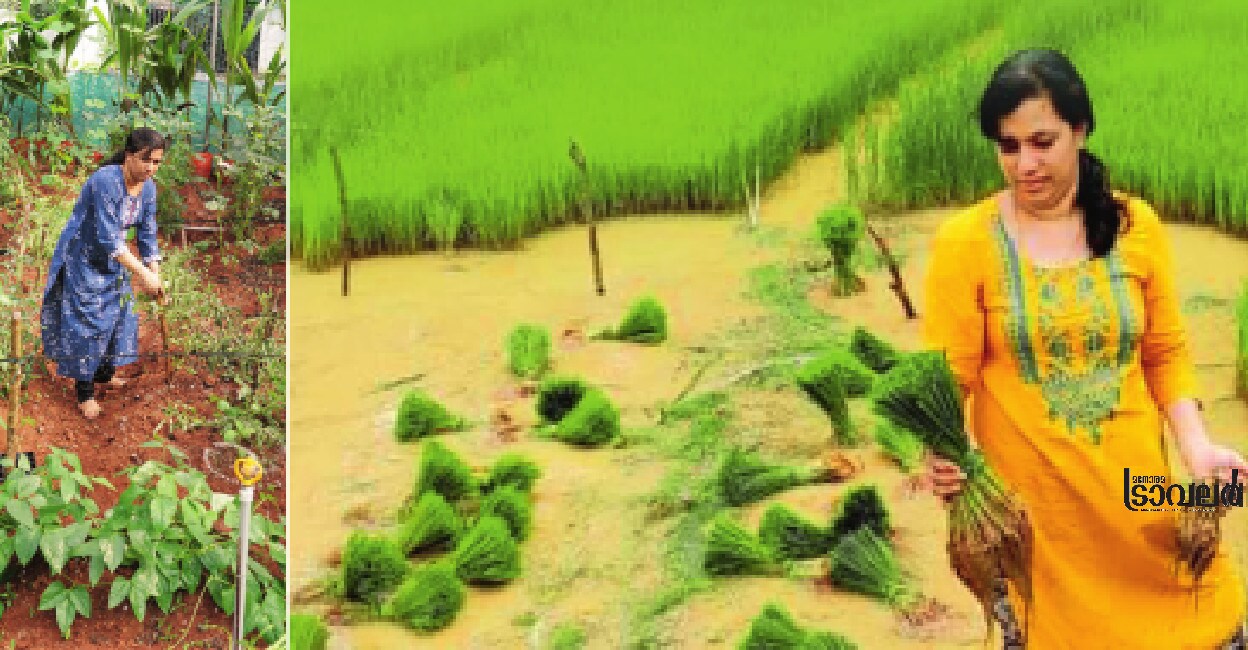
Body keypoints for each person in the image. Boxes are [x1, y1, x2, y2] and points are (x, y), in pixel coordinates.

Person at [921, 49, 1247, 649]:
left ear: (1080, 129)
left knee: (1207, 617)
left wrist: (1197, 447)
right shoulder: (965, 244)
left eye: (1042, 142)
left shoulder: (1135, 225)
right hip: (1040, 525)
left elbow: (1164, 352)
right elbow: (944, 382)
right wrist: (943, 458)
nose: (1025, 164)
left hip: (1139, 498)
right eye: (1008, 147)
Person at [40, 127, 167, 420]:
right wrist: (143, 274)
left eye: (156, 162)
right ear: (128, 156)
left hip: (114, 260)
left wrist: (155, 274)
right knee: (88, 322)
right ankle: (84, 392)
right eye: (145, 160)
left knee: (121, 315)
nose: (150, 168)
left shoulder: (148, 188)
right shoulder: (106, 181)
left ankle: (103, 374)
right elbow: (109, 238)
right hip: (83, 257)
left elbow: (148, 234)